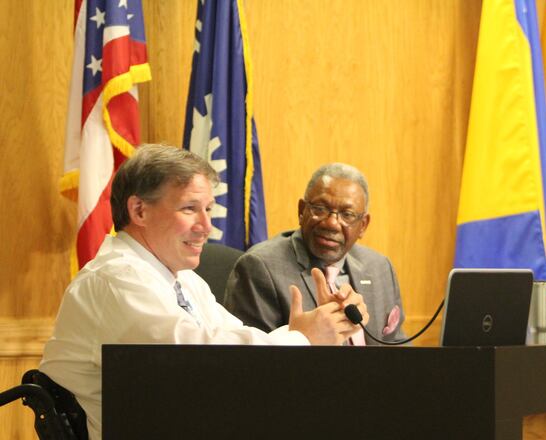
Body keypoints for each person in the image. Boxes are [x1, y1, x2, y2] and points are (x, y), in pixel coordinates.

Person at [39, 145, 367, 440]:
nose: (206, 226)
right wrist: (302, 338)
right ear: (139, 211)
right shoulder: (115, 278)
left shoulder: (182, 279)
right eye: (189, 208)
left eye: (208, 209)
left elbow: (230, 344)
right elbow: (198, 362)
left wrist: (317, 328)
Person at [225, 163, 407, 345]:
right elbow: (251, 362)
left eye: (347, 214)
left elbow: (398, 347)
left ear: (363, 225)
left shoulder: (379, 267)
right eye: (320, 209)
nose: (332, 223)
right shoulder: (260, 268)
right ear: (302, 211)